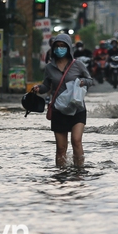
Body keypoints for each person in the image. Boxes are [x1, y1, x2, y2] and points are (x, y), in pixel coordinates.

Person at [34, 33, 93, 168]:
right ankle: (60, 173)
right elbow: (46, 86)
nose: (60, 49)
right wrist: (38, 88)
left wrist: (83, 81)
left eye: (63, 46)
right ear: (53, 48)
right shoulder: (49, 67)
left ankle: (79, 170)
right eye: (57, 46)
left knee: (76, 141)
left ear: (68, 48)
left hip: (77, 108)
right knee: (61, 148)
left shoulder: (77, 65)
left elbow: (90, 80)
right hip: (58, 110)